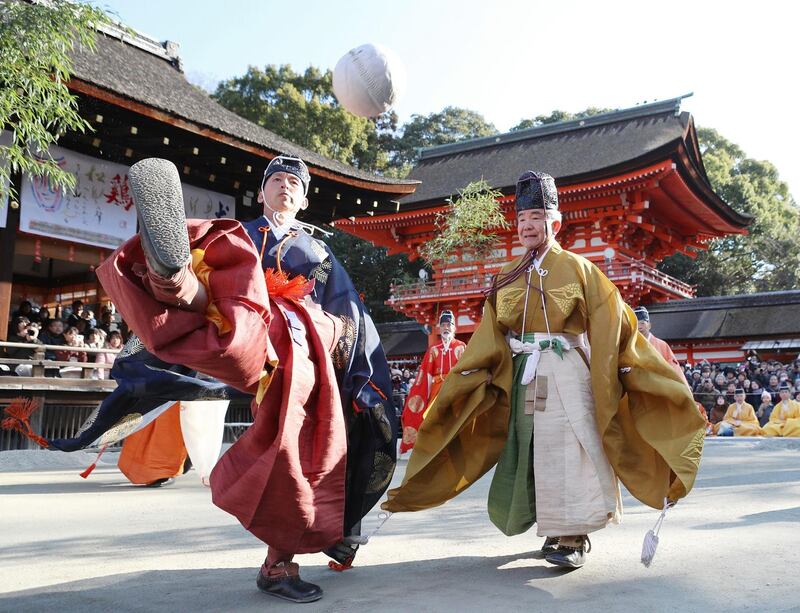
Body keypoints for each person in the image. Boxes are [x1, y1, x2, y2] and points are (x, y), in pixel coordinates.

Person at [383, 171, 705, 570]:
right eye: (521, 219)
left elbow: (616, 327)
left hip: (568, 369)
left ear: (555, 222)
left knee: (571, 448)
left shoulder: (583, 270)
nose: (527, 226)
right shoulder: (506, 276)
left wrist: (645, 376)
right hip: (523, 374)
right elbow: (488, 337)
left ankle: (572, 535)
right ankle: (549, 525)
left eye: (536, 216)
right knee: (531, 448)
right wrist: (469, 379)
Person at [400, 310, 466, 453]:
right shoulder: (433, 350)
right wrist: (422, 395)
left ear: (454, 327)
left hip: (455, 388)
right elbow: (426, 376)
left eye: (449, 325)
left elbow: (467, 370)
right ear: (439, 328)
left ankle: (456, 447)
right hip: (437, 390)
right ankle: (436, 448)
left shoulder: (461, 347)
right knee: (433, 418)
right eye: (443, 325)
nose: (446, 328)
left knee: (456, 418)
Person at [633, 306, 686, 384]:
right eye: (636, 324)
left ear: (649, 325)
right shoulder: (631, 345)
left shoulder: (662, 345)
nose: (639, 327)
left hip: (661, 385)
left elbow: (673, 367)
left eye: (642, 323)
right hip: (639, 386)